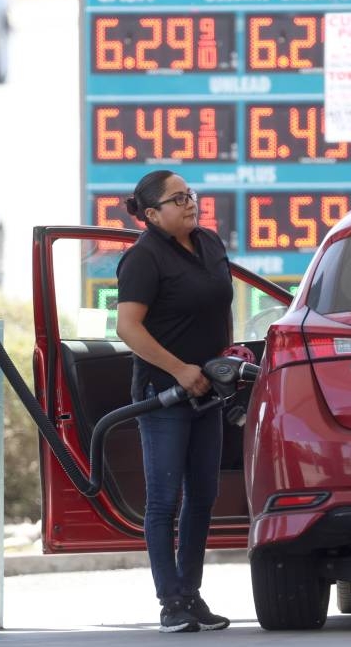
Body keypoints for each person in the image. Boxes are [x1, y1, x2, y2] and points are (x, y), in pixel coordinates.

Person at [115, 169, 233, 633]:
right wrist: (180, 371)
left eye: (191, 194)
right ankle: (170, 601)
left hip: (209, 390)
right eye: (178, 198)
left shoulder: (210, 245)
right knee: (165, 499)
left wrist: (222, 363)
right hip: (164, 392)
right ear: (151, 214)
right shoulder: (143, 259)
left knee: (203, 495)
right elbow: (128, 329)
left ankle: (191, 593)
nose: (190, 202)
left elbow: (218, 308)